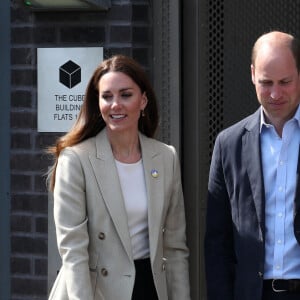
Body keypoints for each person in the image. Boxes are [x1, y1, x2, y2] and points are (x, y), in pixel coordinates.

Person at [47, 54, 190, 300]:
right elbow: (73, 251)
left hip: (151, 288)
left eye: (125, 95)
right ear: (97, 102)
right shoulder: (76, 159)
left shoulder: (165, 157)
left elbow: (175, 247)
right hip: (95, 290)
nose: (115, 105)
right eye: (107, 96)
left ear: (143, 100)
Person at [205, 31, 300, 300]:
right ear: (251, 75)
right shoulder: (229, 143)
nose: (275, 93)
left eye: (285, 82)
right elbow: (217, 241)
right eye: (266, 82)